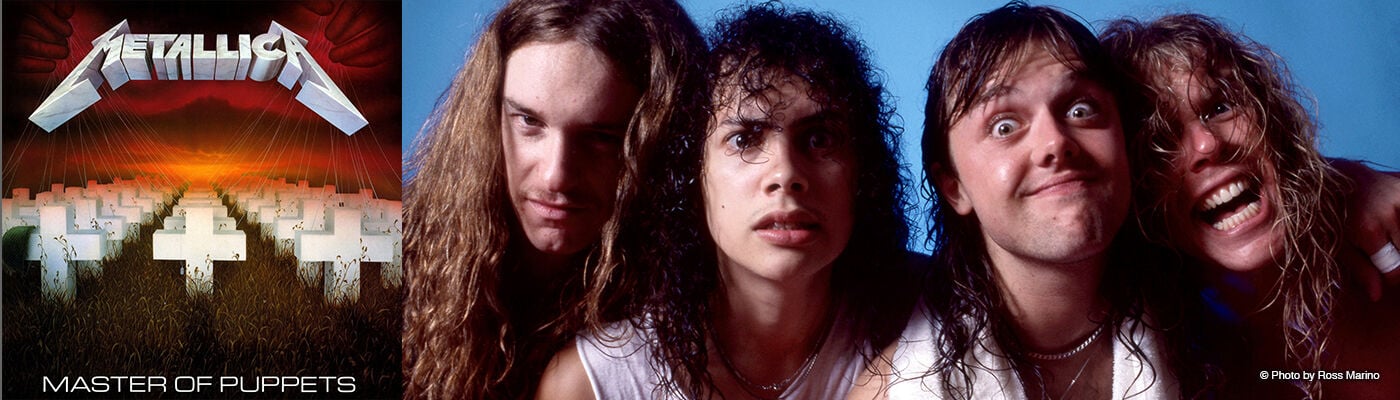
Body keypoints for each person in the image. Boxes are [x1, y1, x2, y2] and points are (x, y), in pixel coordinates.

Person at [537, 3, 916, 399]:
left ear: (862, 171)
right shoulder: (592, 383)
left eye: (819, 139)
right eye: (744, 139)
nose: (785, 173)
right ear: (693, 174)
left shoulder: (931, 316)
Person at [856, 3, 1201, 399]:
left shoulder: (1214, 338)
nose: (1055, 142)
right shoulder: (894, 389)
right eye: (1004, 126)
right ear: (954, 188)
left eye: (1081, 109)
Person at [400, 0, 706, 398]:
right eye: (529, 121)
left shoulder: (692, 312)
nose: (556, 175)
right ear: (487, 116)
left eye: (601, 138)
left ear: (664, 145)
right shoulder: (386, 259)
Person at [1101, 13, 1400, 398]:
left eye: (1220, 108)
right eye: (1159, 139)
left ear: (1272, 119)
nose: (1207, 144)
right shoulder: (1155, 352)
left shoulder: (1379, 229)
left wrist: (1348, 183)